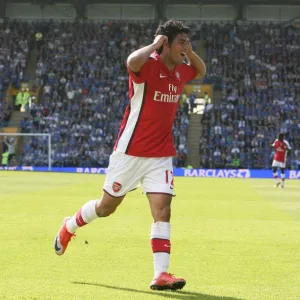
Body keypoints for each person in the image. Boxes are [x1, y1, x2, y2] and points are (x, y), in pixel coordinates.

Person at [54, 19, 206, 290]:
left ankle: (161, 274)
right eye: (180, 42)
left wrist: (190, 52)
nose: (185, 47)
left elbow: (201, 70)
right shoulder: (148, 66)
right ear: (165, 44)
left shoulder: (181, 72)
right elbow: (131, 61)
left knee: (163, 211)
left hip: (161, 154)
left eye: (187, 41)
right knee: (105, 208)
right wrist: (154, 45)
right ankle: (70, 225)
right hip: (130, 151)